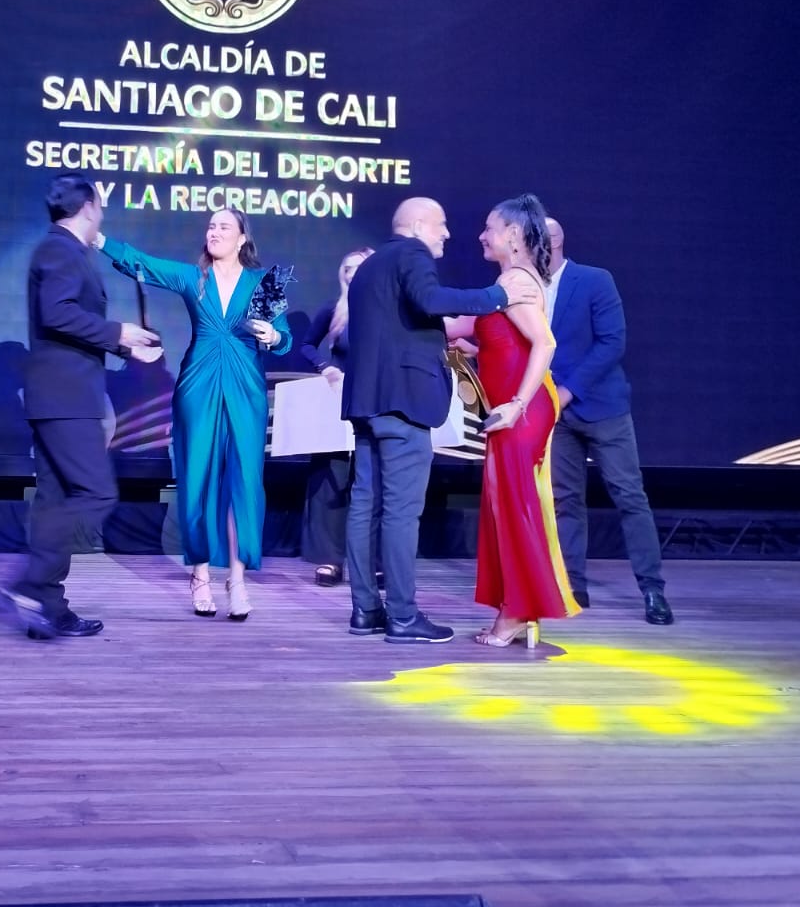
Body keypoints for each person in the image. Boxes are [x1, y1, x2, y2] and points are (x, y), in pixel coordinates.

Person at [341, 197, 538, 643]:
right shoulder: (412, 252)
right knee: (401, 512)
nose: (447, 233)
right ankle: (403, 617)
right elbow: (430, 299)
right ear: (416, 225)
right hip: (403, 403)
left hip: (366, 403)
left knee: (365, 505)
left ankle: (365, 611)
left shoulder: (369, 266)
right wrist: (497, 296)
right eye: (441, 224)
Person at [99, 208, 291, 621]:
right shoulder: (194, 278)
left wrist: (274, 335)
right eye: (211, 226)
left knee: (245, 481)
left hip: (245, 386)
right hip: (199, 383)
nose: (214, 232)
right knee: (198, 477)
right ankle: (200, 576)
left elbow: (285, 337)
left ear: (242, 238)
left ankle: (237, 580)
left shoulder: (263, 282)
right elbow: (144, 264)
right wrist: (100, 241)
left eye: (224, 226)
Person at [7, 175, 160, 639]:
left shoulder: (61, 250)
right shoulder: (60, 249)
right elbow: (57, 313)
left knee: (55, 499)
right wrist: (118, 332)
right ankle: (33, 585)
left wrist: (123, 346)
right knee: (96, 493)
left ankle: (47, 608)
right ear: (90, 206)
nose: (102, 216)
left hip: (60, 395)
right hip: (65, 397)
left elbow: (68, 323)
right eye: (102, 207)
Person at [449, 194, 580, 647]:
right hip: (508, 412)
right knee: (504, 507)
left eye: (489, 228)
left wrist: (517, 404)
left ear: (513, 234)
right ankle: (516, 607)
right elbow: (466, 328)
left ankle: (520, 610)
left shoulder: (518, 281)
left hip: (519, 413)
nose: (481, 236)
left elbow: (545, 344)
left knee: (514, 508)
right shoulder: (507, 281)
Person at [544, 216, 674, 625]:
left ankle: (652, 590)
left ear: (556, 241)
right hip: (556, 415)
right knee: (565, 500)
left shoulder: (594, 280)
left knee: (629, 495)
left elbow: (612, 342)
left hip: (602, 408)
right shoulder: (524, 286)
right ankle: (572, 586)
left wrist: (568, 391)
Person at [297, 248, 373, 587]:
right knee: (331, 476)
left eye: (358, 267)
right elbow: (307, 345)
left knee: (372, 480)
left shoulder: (385, 310)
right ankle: (330, 559)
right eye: (347, 268)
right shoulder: (334, 309)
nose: (351, 273)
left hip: (374, 400)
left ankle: (374, 561)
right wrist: (325, 367)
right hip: (337, 402)